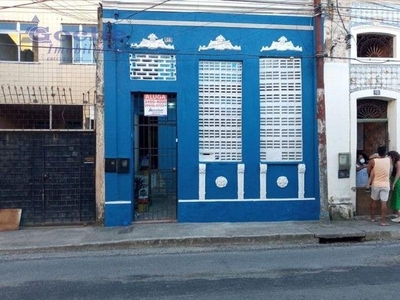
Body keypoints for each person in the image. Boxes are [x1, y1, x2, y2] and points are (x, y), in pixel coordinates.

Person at [367, 145, 392, 226]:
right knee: (384, 203)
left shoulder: (373, 161)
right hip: (386, 183)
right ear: (385, 152)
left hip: (376, 183)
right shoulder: (389, 160)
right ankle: (383, 221)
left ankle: (372, 218)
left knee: (374, 200)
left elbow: (368, 170)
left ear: (378, 152)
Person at [387, 151, 400, 222]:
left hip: (397, 182)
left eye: (389, 156)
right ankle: (398, 216)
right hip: (395, 181)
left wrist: (394, 183)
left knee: (396, 198)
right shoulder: (394, 163)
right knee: (396, 198)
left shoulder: (398, 163)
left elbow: (398, 173)